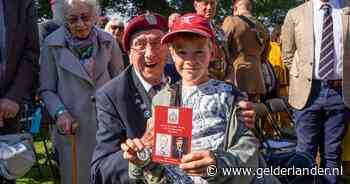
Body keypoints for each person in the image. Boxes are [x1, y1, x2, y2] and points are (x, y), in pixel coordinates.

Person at [90, 12, 257, 184]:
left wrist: (244, 117)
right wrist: (142, 154)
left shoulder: (217, 90)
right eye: (140, 45)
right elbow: (102, 169)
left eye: (156, 43)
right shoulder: (112, 95)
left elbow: (247, 154)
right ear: (129, 53)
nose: (149, 53)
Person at [39, 0, 124, 183]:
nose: (80, 24)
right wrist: (60, 113)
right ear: (64, 20)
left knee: (108, 176)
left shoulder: (108, 41)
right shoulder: (51, 44)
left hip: (107, 125)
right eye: (73, 19)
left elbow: (120, 83)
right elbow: (46, 89)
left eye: (85, 17)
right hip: (72, 127)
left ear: (93, 16)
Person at [281, 0, 350, 183]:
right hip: (307, 93)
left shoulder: (347, 9)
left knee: (332, 153)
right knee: (304, 152)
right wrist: (303, 76)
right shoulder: (295, 14)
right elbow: (287, 54)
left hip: (340, 93)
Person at [0, 0, 40, 183]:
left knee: (6, 175)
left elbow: (31, 52)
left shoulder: (23, 3)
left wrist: (14, 97)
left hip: (8, 110)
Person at [222, 0, 270, 102]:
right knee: (252, 112)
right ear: (250, 7)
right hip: (257, 78)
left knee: (236, 113)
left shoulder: (231, 21)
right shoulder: (263, 28)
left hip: (237, 75)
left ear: (235, 8)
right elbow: (265, 58)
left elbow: (222, 47)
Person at [193, 0, 229, 81]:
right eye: (205, 3)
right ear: (196, 5)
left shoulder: (219, 31)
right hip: (199, 84)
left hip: (221, 82)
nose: (209, 7)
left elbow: (227, 58)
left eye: (212, 3)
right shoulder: (190, 30)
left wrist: (230, 77)